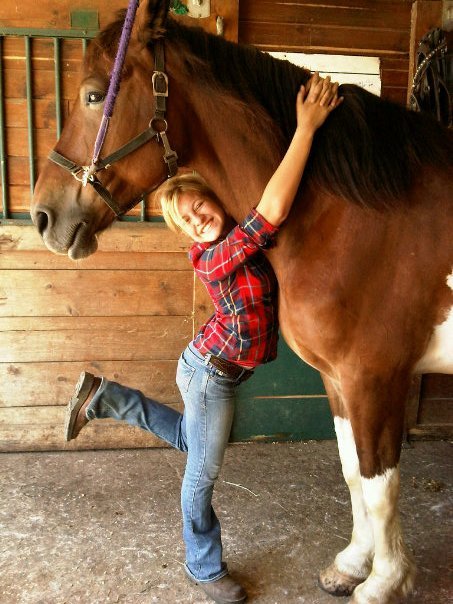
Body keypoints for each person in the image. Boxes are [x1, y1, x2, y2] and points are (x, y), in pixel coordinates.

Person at [64, 74, 342, 604]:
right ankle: (203, 566)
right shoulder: (213, 257)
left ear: (215, 200)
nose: (198, 220)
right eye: (186, 222)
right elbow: (273, 210)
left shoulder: (236, 238)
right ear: (185, 236)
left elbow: (272, 210)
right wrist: (306, 128)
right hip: (211, 371)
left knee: (196, 444)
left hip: (208, 366)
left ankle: (107, 398)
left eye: (200, 207)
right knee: (203, 471)